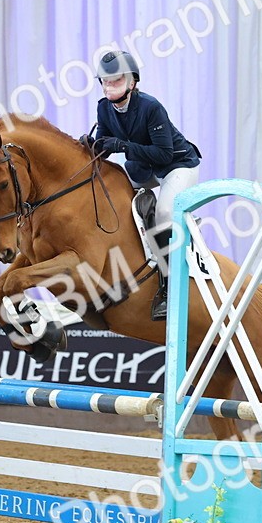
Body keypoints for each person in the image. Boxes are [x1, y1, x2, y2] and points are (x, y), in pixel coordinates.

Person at [82, 50, 201, 321]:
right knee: (115, 201)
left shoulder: (151, 107)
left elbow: (163, 154)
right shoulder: (104, 107)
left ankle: (171, 288)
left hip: (177, 166)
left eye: (116, 80)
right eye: (105, 81)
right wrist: (88, 145)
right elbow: (103, 144)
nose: (109, 85)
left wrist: (122, 145)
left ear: (132, 82)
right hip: (143, 168)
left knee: (164, 213)